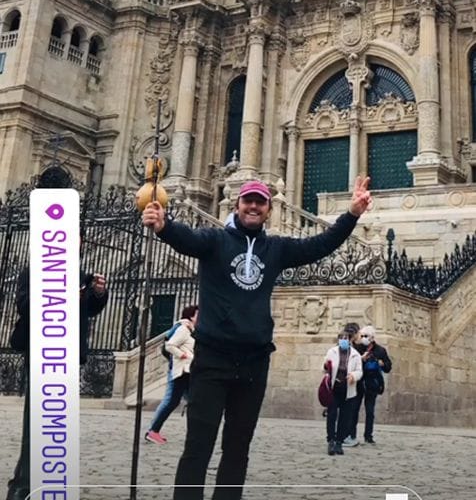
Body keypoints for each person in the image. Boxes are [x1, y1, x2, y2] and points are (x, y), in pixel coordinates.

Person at [142, 175, 372, 499]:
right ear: (237, 205)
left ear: (268, 209)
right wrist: (164, 226)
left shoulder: (275, 249)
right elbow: (187, 239)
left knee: (238, 448)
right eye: (247, 200)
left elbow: (319, 245)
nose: (253, 206)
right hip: (212, 359)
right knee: (198, 445)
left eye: (259, 202)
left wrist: (352, 214)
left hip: (253, 363)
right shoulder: (215, 241)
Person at [6, 266, 108, 500]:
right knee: (36, 421)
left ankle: (50, 482)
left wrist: (99, 293)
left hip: (69, 352)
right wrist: (60, 296)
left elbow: (88, 310)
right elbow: (24, 306)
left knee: (58, 421)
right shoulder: (33, 271)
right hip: (43, 350)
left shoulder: (80, 274)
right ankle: (22, 485)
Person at [145, 305, 199, 444]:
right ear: (191, 316)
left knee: (194, 401)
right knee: (171, 401)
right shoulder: (183, 329)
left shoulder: (191, 331)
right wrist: (183, 355)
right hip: (180, 371)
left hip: (187, 371)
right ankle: (153, 431)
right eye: (198, 314)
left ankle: (196, 433)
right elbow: (170, 345)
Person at [323, 329, 363, 455]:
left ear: (349, 340)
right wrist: (325, 366)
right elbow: (324, 367)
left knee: (344, 417)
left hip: (348, 389)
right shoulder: (332, 351)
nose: (343, 340)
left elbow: (359, 371)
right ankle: (331, 440)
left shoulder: (355, 354)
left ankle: (339, 442)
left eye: (346, 338)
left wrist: (353, 376)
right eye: (341, 338)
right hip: (334, 388)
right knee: (332, 415)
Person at [354, 324, 392, 444]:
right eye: (362, 336)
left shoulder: (380, 350)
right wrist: (361, 359)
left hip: (372, 383)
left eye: (365, 336)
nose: (363, 338)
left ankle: (368, 435)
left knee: (370, 411)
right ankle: (351, 434)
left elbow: (388, 367)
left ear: (372, 337)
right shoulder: (357, 348)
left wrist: (381, 364)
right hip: (358, 382)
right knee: (354, 409)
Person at [341, 322, 364, 448]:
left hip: (349, 382)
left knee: (348, 411)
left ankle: (345, 435)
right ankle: (344, 436)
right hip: (348, 382)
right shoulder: (348, 347)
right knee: (348, 411)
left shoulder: (353, 347)